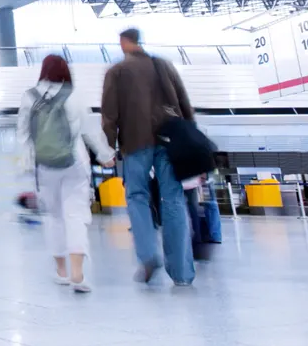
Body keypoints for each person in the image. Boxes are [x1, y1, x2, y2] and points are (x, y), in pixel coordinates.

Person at [102, 27, 196, 286]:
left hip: (135, 142)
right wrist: (191, 138)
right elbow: (184, 103)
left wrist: (108, 148)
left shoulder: (117, 72)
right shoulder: (163, 66)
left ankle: (147, 255)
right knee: (173, 199)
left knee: (137, 196)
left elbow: (109, 114)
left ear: (123, 43)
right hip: (170, 141)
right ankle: (182, 273)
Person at [19, 55, 114, 292]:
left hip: (44, 167)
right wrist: (105, 155)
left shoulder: (29, 97)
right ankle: (78, 274)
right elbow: (91, 131)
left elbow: (24, 136)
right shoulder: (74, 95)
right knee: (76, 216)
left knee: (54, 218)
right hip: (75, 164)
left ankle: (61, 272)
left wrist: (28, 166)